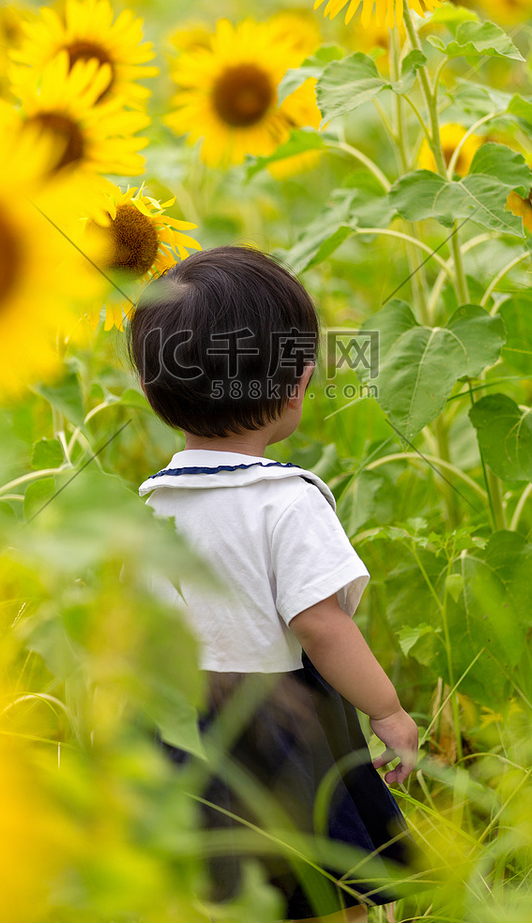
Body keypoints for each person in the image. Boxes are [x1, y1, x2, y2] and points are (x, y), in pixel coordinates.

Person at [129, 245, 419, 923]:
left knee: (209, 892)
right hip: (283, 723)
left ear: (155, 389)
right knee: (326, 886)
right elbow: (321, 624)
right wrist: (387, 710)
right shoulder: (286, 501)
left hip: (179, 731)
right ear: (298, 384)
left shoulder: (147, 507)